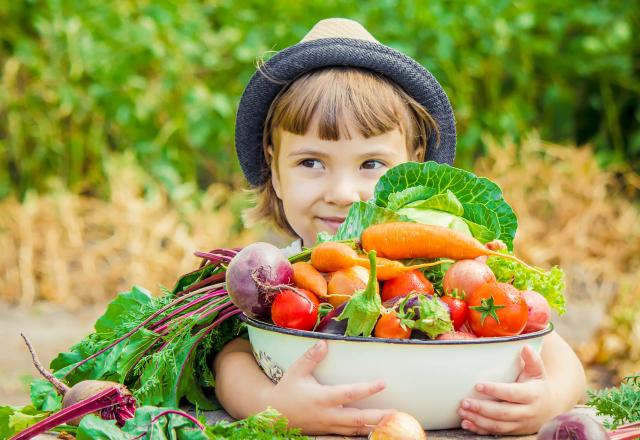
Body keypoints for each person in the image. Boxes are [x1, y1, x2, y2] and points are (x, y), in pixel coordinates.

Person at [213, 18, 585, 436]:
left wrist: (547, 400)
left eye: (371, 164)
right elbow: (232, 359)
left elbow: (562, 358)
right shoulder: (275, 280)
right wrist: (275, 405)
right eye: (310, 163)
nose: (343, 192)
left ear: (415, 165)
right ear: (276, 171)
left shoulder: (454, 269)